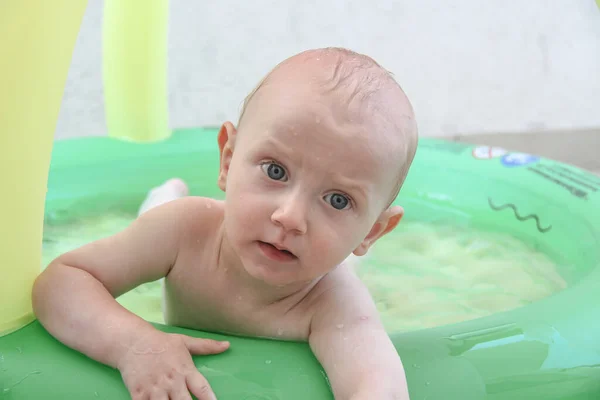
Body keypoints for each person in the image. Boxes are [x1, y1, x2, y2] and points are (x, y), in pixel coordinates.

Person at [33, 47, 418, 400]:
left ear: (372, 232)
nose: (290, 217)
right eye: (275, 171)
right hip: (181, 224)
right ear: (228, 160)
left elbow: (378, 386)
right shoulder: (184, 234)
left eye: (338, 200)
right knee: (159, 217)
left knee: (346, 267)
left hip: (332, 264)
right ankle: (161, 196)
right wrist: (131, 343)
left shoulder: (335, 305)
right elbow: (61, 281)